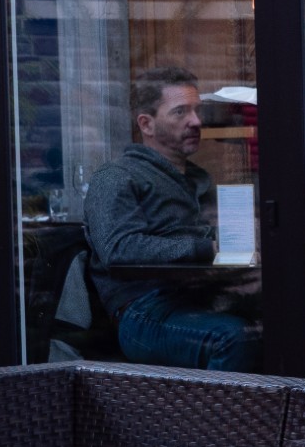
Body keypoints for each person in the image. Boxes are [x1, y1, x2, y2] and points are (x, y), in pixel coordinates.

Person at [83, 66, 258, 371]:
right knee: (235, 338)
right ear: (146, 124)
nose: (196, 121)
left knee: (291, 315)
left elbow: (220, 238)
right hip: (144, 311)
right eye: (180, 112)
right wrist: (206, 248)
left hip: (204, 296)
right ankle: (215, 405)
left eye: (197, 110)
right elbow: (119, 249)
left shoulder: (199, 181)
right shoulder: (115, 177)